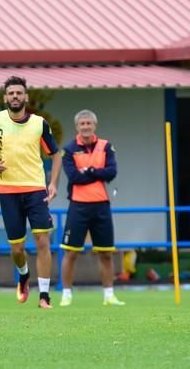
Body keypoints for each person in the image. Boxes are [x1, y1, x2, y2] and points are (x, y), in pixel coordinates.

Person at [0, 76, 61, 309]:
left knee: (43, 240)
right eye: (11, 93)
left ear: (26, 97)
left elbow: (56, 154)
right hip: (8, 191)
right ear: (5, 97)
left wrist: (53, 184)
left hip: (35, 189)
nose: (15, 96)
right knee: (17, 248)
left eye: (18, 93)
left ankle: (44, 296)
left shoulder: (39, 124)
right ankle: (23, 275)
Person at [59, 110, 125, 307]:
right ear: (77, 127)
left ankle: (109, 295)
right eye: (82, 124)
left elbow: (111, 172)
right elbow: (74, 177)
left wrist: (90, 171)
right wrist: (97, 173)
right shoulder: (69, 149)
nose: (86, 127)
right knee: (71, 252)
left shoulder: (106, 146)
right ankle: (66, 295)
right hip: (78, 205)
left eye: (89, 123)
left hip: (101, 205)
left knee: (105, 253)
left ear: (94, 126)